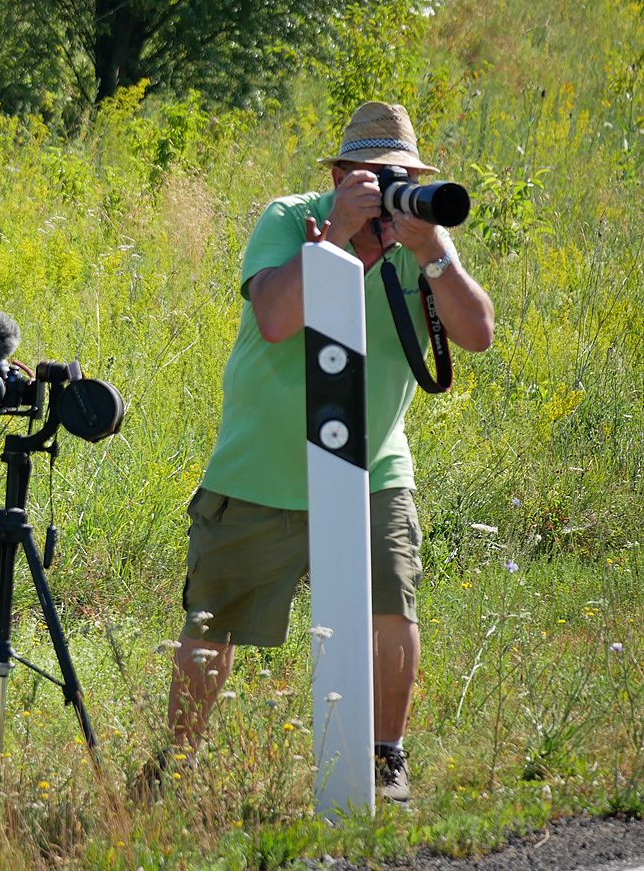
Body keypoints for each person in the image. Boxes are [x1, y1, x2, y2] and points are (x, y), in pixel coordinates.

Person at [162, 101, 494, 802]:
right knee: (212, 619)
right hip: (263, 464)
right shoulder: (292, 218)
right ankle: (178, 766)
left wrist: (432, 251)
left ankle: (384, 759)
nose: (388, 191)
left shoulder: (418, 236)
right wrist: (338, 239)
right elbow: (277, 319)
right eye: (373, 177)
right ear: (340, 175)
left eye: (399, 176)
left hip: (373, 460)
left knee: (391, 607)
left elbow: (475, 334)